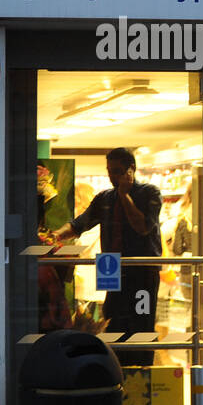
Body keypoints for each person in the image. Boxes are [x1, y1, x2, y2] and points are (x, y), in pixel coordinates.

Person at [53, 148, 163, 367]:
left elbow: (142, 227)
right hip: (111, 270)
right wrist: (54, 235)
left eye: (117, 171)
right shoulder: (104, 198)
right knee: (112, 321)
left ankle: (142, 373)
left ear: (131, 170)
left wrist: (124, 196)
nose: (112, 176)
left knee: (141, 323)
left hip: (142, 273)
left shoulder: (149, 193)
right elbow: (78, 225)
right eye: (110, 171)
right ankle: (118, 371)